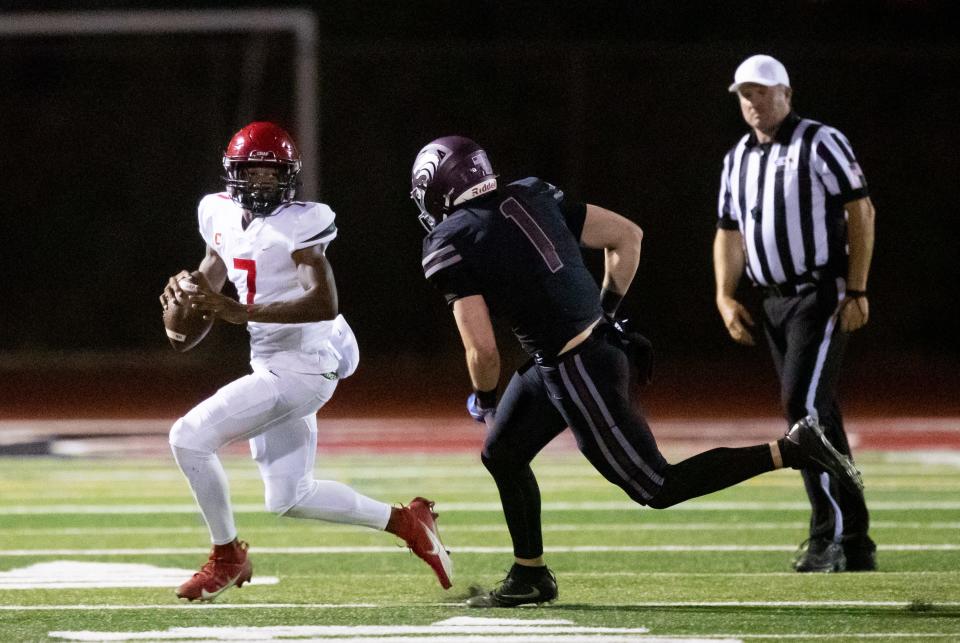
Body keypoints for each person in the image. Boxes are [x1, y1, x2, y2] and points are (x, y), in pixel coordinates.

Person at [409, 135, 864, 607]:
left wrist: (483, 399)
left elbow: (482, 351)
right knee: (502, 452)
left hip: (577, 368)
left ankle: (791, 449)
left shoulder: (448, 238)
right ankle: (530, 575)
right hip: (575, 355)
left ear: (437, 185)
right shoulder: (531, 190)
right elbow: (627, 237)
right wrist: (603, 313)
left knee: (656, 486)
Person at [160, 121, 452, 602]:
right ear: (233, 174)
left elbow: (324, 301)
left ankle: (227, 556)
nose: (260, 184)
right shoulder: (216, 212)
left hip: (301, 367)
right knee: (290, 497)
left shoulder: (303, 220)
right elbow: (202, 296)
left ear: (289, 177)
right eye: (251, 173)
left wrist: (241, 311)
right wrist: (184, 298)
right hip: (272, 360)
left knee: (188, 439)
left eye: (270, 175)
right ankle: (408, 521)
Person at [713, 55, 877, 572]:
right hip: (773, 300)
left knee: (801, 410)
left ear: (787, 93)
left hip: (819, 293)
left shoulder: (820, 141)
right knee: (820, 414)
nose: (753, 102)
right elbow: (729, 231)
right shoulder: (737, 155)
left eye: (762, 92)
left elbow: (860, 210)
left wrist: (856, 288)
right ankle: (856, 540)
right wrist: (725, 294)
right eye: (745, 94)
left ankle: (824, 535)